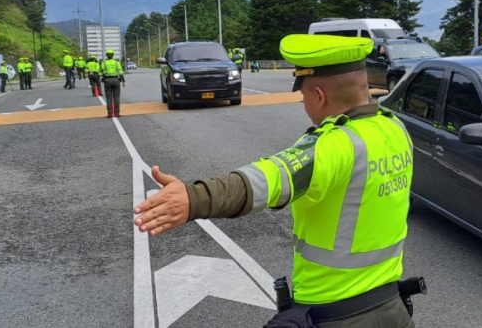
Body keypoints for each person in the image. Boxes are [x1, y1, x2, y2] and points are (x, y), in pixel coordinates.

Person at [133, 34, 415, 328]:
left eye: (303, 94)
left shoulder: (332, 145)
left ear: (319, 95)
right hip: (392, 310)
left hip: (335, 315)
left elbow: (262, 180)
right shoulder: (395, 128)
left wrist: (193, 199)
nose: (303, 102)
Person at [101, 49, 125, 118]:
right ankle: (117, 113)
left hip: (107, 81)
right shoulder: (116, 63)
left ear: (106, 55)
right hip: (116, 80)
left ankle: (110, 114)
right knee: (116, 98)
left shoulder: (104, 63)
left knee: (109, 98)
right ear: (113, 55)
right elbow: (120, 73)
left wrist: (103, 77)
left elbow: (101, 71)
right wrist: (123, 81)